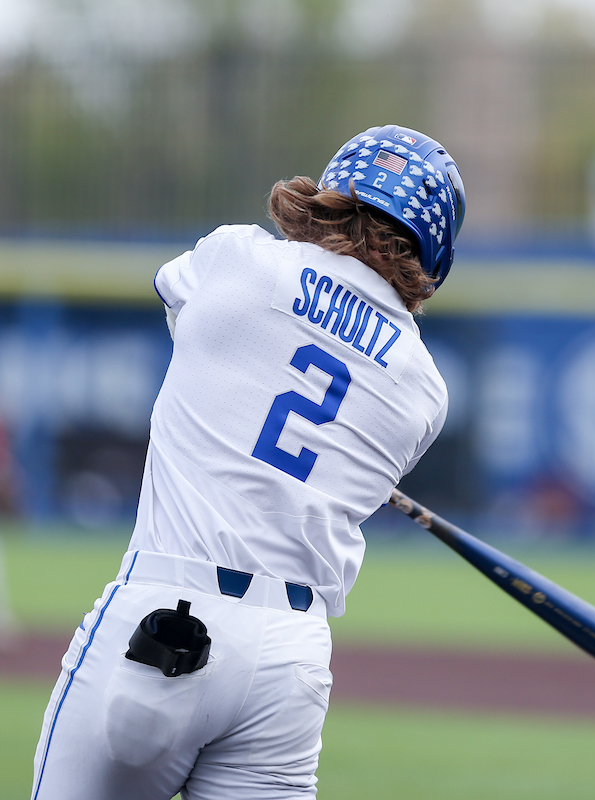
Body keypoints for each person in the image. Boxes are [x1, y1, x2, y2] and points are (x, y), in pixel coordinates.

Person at [30, 124, 465, 800]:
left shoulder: (237, 257)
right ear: (431, 251)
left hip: (164, 621)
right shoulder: (425, 390)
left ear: (332, 194)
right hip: (288, 662)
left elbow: (189, 323)